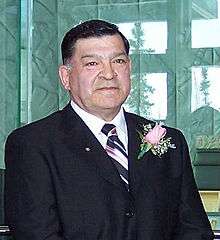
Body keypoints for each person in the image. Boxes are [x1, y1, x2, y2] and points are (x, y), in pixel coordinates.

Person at [4, 19, 214, 240]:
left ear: (129, 68)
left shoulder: (171, 142)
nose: (109, 74)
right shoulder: (33, 144)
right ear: (66, 77)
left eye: (118, 61)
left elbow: (195, 230)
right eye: (92, 63)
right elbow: (38, 234)